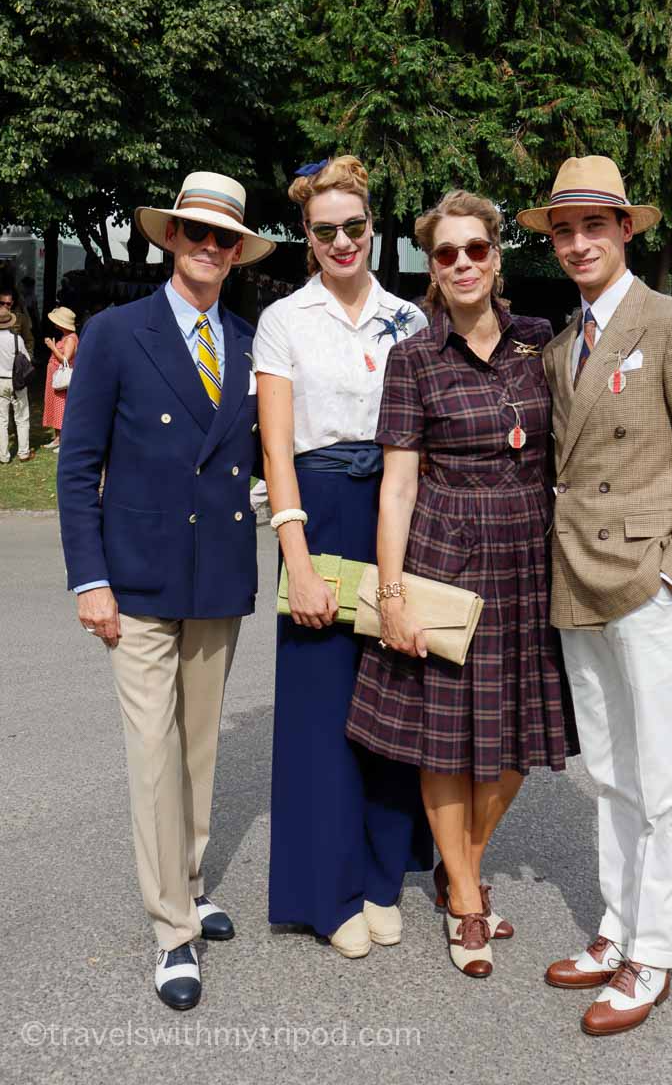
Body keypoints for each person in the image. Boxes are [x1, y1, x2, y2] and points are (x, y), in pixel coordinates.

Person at [516, 156, 672, 1036]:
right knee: (610, 773)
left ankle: (656, 951)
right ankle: (618, 928)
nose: (578, 242)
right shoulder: (560, 345)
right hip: (576, 573)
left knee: (665, 782)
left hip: (645, 582)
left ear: (624, 231)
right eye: (564, 230)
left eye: (593, 227)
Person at [347, 190, 578, 980]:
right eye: (446, 255)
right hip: (445, 555)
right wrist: (392, 593)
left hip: (529, 557)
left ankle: (461, 870)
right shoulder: (413, 358)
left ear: (496, 255)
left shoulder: (539, 342)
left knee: (518, 735)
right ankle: (470, 904)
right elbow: (398, 485)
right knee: (445, 739)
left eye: (475, 249)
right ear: (432, 269)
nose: (463, 265)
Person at [57, 171, 274, 1010]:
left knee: (197, 750)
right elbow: (77, 469)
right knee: (153, 755)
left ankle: (187, 878)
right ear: (170, 240)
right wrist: (90, 579)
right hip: (137, 577)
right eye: (197, 235)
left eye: (225, 239)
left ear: (237, 252)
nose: (210, 250)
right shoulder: (115, 334)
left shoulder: (253, 343)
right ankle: (171, 930)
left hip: (217, 574)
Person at [255, 156, 431, 960]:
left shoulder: (412, 320)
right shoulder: (284, 320)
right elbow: (277, 447)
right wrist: (297, 553)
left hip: (396, 508)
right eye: (324, 230)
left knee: (394, 703)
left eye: (353, 226)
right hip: (318, 511)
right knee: (322, 715)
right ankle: (323, 892)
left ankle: (380, 877)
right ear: (306, 236)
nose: (342, 241)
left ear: (372, 224)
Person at [0, 306, 34, 463]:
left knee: (2, 419)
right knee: (22, 417)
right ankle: (23, 452)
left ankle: (3, 455)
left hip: (0, 381)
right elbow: (26, 360)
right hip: (17, 381)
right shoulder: (16, 339)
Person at [42, 307, 79, 450]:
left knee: (61, 407)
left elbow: (65, 359)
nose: (55, 324)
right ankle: (57, 438)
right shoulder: (65, 337)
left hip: (61, 378)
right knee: (54, 405)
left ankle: (64, 441)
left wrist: (52, 346)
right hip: (55, 376)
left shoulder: (70, 338)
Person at [0, 282, 35, 357]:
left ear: (12, 303)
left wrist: (28, 358)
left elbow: (29, 340)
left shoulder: (20, 318)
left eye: (8, 303)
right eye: (2, 303)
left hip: (15, 361)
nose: (5, 306)